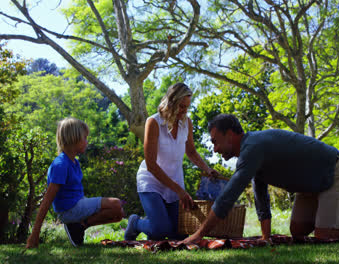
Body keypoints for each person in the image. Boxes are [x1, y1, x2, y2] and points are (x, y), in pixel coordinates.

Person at [182, 114, 339, 244]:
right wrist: (266, 236)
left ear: (230, 135)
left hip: (332, 170)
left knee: (324, 237)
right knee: (298, 233)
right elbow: (260, 194)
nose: (215, 149)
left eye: (215, 141)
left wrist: (199, 234)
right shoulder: (250, 153)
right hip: (309, 184)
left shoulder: (252, 148)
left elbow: (228, 197)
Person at [124, 82, 220, 241]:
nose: (184, 111)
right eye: (181, 106)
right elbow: (151, 165)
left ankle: (153, 229)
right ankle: (135, 223)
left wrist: (207, 169)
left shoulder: (186, 122)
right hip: (151, 181)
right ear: (171, 103)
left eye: (187, 107)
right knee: (161, 230)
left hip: (174, 183)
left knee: (179, 234)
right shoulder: (153, 122)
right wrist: (180, 191)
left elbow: (191, 152)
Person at [26, 118, 124, 248]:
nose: (87, 142)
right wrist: (35, 233)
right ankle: (77, 226)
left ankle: (78, 227)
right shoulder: (61, 164)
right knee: (115, 203)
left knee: (119, 214)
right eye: (85, 138)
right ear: (74, 138)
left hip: (77, 204)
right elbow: (47, 200)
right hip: (69, 210)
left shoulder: (74, 162)